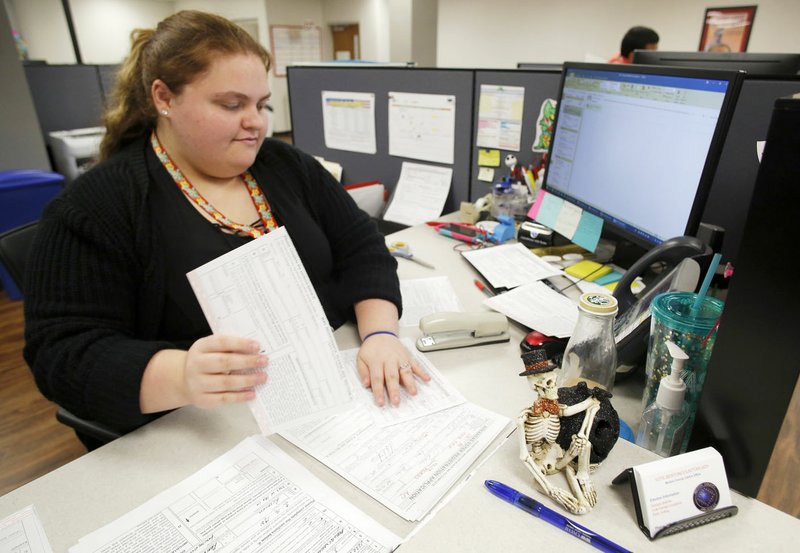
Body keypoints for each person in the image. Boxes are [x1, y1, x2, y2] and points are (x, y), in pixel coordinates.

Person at [23, 10, 429, 448]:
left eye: (262, 104)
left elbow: (363, 248)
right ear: (164, 97)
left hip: (329, 392)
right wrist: (180, 374)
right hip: (204, 430)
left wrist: (382, 336)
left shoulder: (286, 165)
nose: (255, 121)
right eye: (231, 105)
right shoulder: (97, 207)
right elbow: (60, 354)